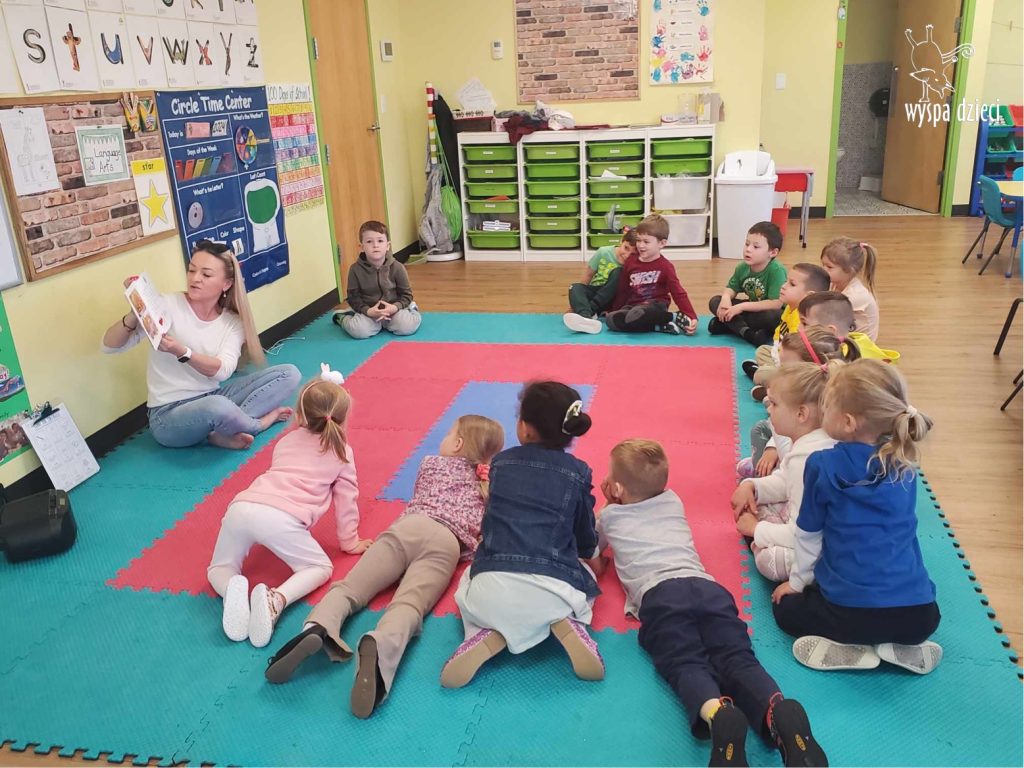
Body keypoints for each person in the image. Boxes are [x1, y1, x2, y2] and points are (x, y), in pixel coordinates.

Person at [597, 439, 828, 768]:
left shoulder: (609, 516)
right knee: (739, 660)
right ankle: (776, 710)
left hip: (661, 597)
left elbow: (593, 551)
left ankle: (717, 713)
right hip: (710, 590)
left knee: (686, 662)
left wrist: (609, 503)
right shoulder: (672, 500)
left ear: (617, 487)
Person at [265, 415, 503, 717]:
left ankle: (318, 626)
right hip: (446, 544)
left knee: (350, 589)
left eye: (447, 434)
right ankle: (382, 645)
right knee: (409, 605)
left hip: (407, 528)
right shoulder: (489, 488)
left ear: (457, 444)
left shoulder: (431, 464)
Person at [772, 360, 942, 675]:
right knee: (917, 605)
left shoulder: (822, 463)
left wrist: (796, 584)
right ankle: (898, 645)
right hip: (920, 616)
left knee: (785, 608)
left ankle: (852, 646)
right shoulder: (905, 465)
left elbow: (807, 535)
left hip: (848, 614)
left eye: (826, 408)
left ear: (848, 422)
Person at [439, 382, 604, 688]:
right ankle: (570, 622)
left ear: (525, 429)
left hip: (493, 585)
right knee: (585, 579)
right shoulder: (577, 471)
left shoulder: (501, 463)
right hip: (553, 590)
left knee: (468, 581)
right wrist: (594, 558)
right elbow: (583, 536)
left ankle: (482, 632)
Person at [207, 370, 372, 649]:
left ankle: (232, 588)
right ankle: (276, 599)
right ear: (341, 419)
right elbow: (347, 500)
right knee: (319, 567)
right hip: (281, 520)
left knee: (219, 568)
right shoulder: (342, 452)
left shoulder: (285, 441)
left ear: (300, 415)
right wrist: (350, 541)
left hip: (241, 506)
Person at [101, 240, 300, 450]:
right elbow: (109, 346)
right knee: (219, 406)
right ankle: (257, 424)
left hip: (212, 397)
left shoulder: (232, 322)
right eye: (191, 270)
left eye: (206, 274)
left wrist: (182, 352)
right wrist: (135, 314)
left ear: (226, 284)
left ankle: (221, 432)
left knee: (289, 374)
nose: (195, 279)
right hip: (167, 415)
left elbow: (222, 371)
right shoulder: (167, 305)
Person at [733, 362, 837, 582]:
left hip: (826, 549)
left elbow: (803, 534)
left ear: (801, 413)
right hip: (817, 531)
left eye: (773, 404)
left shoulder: (807, 457)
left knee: (770, 560)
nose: (768, 410)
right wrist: (752, 486)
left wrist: (756, 530)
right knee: (756, 501)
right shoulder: (810, 440)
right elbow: (785, 480)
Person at [738, 327, 861, 479]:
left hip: (793, 471)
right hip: (788, 455)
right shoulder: (810, 399)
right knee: (761, 428)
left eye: (787, 367)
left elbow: (794, 471)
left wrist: (762, 486)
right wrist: (772, 447)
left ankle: (762, 474)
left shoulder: (822, 418)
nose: (781, 372)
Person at [602, 214, 698, 336]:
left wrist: (691, 316)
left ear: (661, 243)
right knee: (611, 320)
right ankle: (659, 326)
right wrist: (616, 310)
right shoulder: (631, 261)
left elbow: (678, 293)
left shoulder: (666, 267)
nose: (641, 245)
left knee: (639, 313)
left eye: (646, 242)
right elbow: (623, 289)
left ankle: (672, 317)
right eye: (639, 240)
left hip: (655, 306)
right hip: (633, 306)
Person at [742, 263, 830, 385]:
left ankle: (769, 380)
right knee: (762, 350)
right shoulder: (790, 307)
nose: (783, 286)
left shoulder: (803, 319)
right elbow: (781, 329)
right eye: (785, 282)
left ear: (809, 296)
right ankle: (771, 374)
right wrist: (776, 347)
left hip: (794, 364)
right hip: (781, 354)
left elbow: (796, 352)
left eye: (792, 284)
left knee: (763, 375)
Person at [334, 220, 421, 339]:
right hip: (369, 311)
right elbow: (353, 297)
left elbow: (407, 294)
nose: (375, 245)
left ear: (387, 246)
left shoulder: (398, 267)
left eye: (380, 241)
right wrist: (367, 311)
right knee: (359, 331)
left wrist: (395, 307)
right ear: (362, 247)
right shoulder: (355, 269)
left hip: (393, 310)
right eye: (369, 241)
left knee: (407, 327)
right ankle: (343, 317)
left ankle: (412, 309)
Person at [708, 222, 787, 346]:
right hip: (751, 310)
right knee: (715, 301)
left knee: (775, 316)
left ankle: (729, 325)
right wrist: (726, 298)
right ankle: (748, 333)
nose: (748, 249)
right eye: (747, 244)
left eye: (756, 247)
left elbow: (776, 304)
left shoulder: (776, 270)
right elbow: (731, 288)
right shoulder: (742, 267)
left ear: (772, 252)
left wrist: (741, 307)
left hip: (769, 312)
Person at [563, 229, 638, 334]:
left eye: (633, 254)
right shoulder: (604, 252)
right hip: (596, 292)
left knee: (618, 272)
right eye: (626, 248)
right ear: (621, 241)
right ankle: (586, 316)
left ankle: (590, 310)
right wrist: (575, 304)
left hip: (614, 300)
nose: (627, 255)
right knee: (575, 287)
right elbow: (588, 275)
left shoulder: (636, 263)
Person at [798, 293, 898, 363]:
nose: (798, 328)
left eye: (804, 323)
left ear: (829, 331)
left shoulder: (842, 362)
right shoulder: (858, 343)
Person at [819, 238, 879, 340]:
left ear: (849, 270)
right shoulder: (835, 284)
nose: (823, 270)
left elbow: (825, 316)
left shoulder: (855, 295)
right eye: (823, 265)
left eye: (829, 267)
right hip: (847, 337)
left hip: (860, 346)